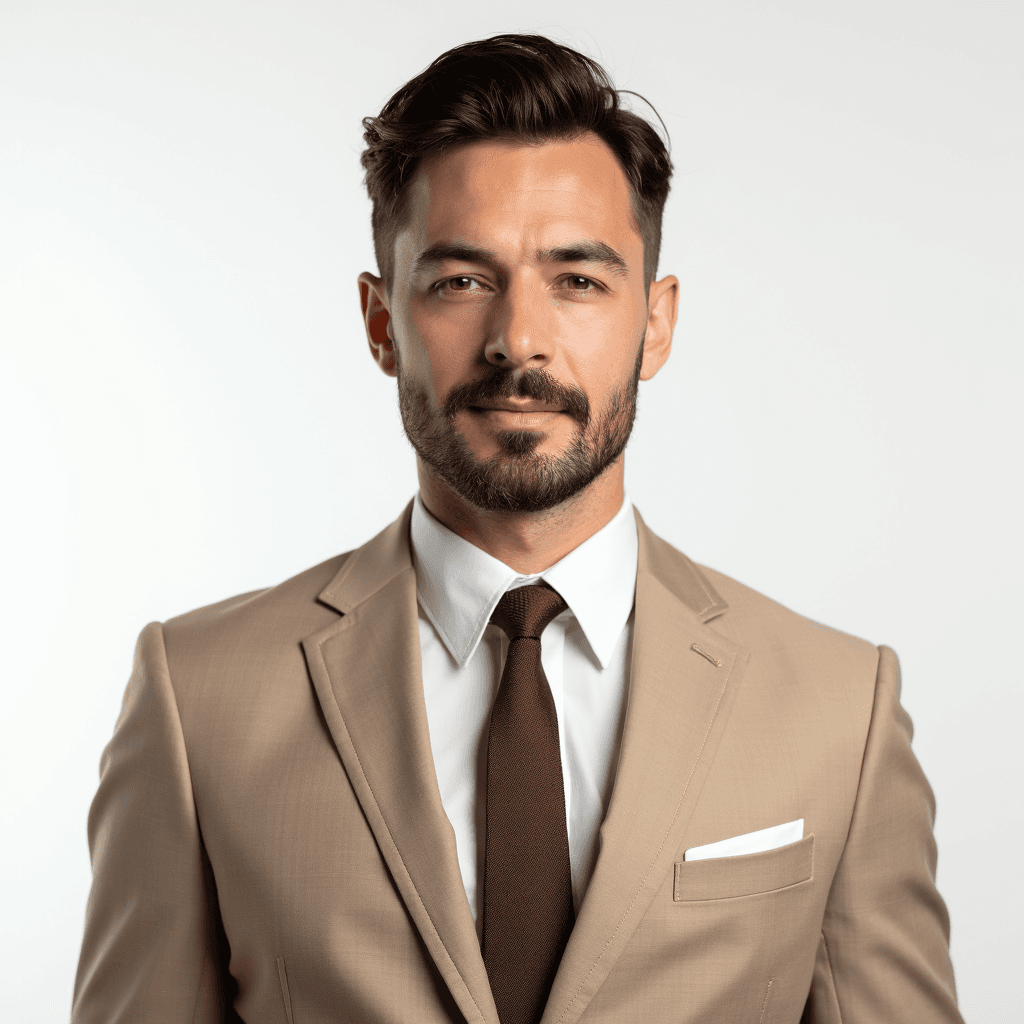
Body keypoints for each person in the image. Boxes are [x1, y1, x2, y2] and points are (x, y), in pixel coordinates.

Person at [72, 33, 963, 1024]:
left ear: (655, 322)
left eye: (578, 280)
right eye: (461, 280)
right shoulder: (199, 699)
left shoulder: (839, 709)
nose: (518, 340)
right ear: (381, 321)